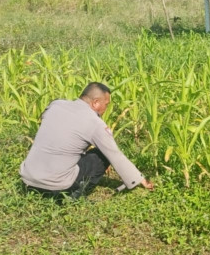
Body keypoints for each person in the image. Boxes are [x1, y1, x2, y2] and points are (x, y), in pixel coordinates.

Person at [20, 82, 154, 200]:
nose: (106, 109)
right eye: (106, 104)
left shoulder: (56, 105)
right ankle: (76, 193)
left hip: (28, 179)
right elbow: (115, 155)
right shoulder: (95, 123)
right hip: (57, 185)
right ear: (95, 102)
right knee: (100, 155)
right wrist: (139, 179)